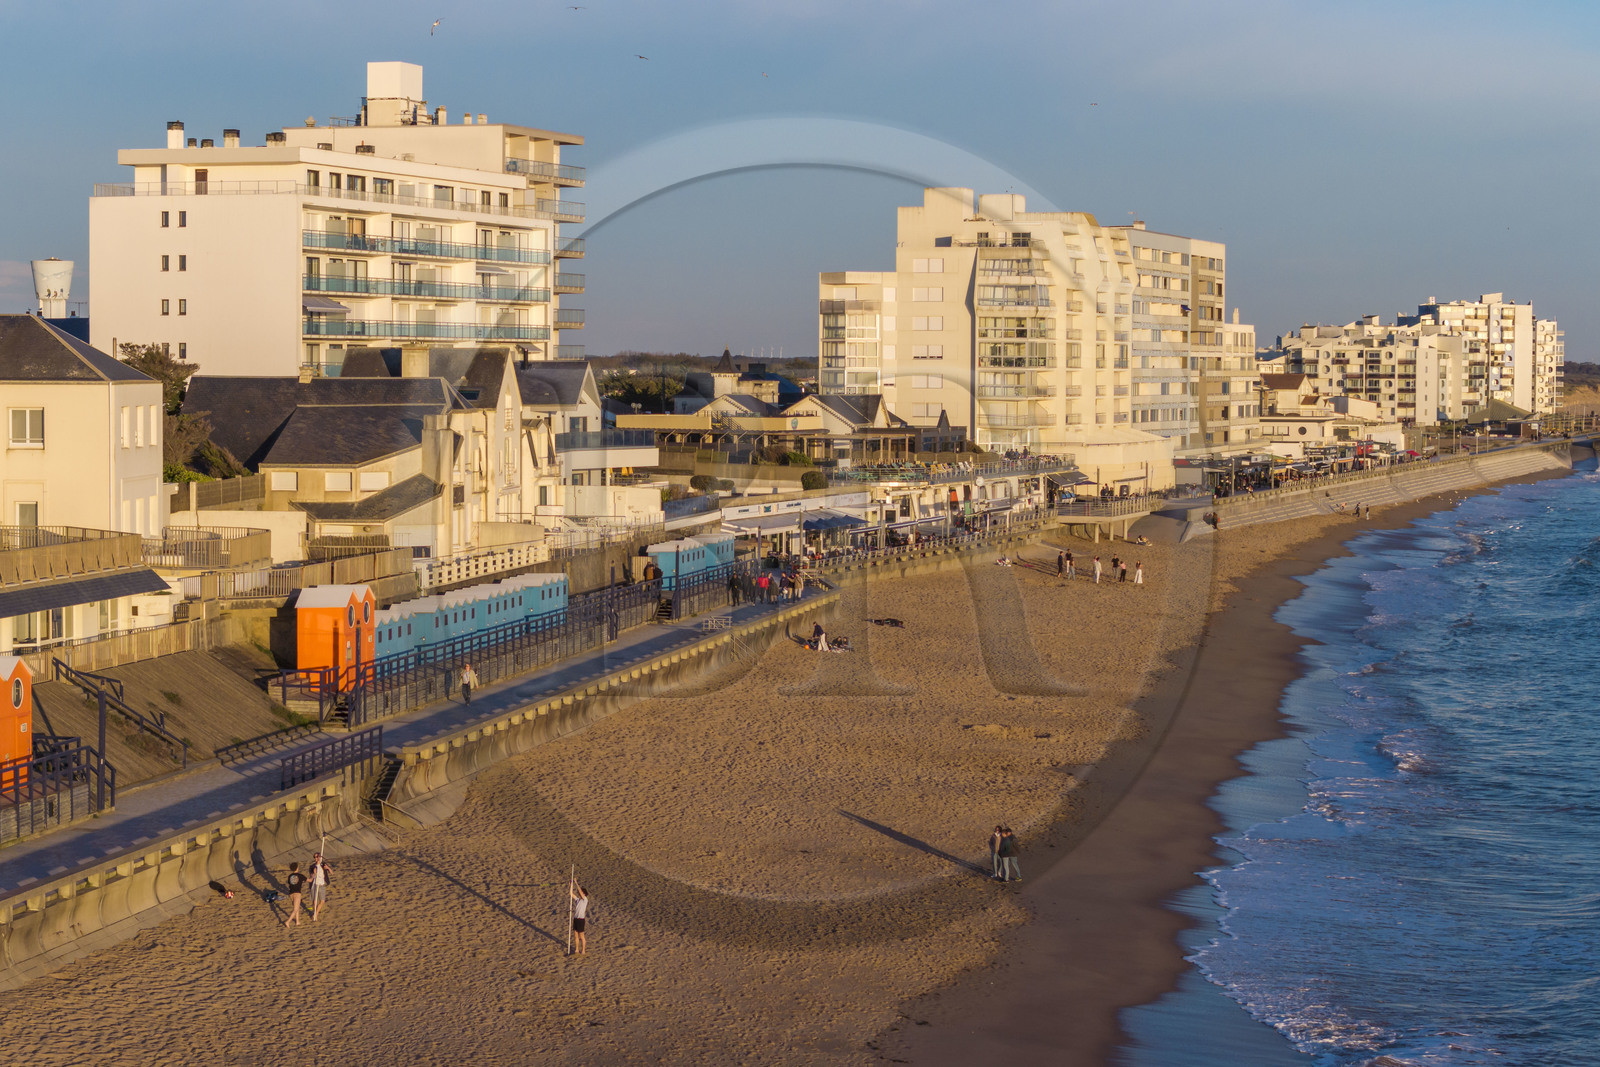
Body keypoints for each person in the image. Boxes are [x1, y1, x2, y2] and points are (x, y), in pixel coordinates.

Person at [308, 852, 333, 922]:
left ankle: (315, 914)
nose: (317, 858)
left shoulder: (323, 865)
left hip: (322, 884)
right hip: (315, 884)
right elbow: (312, 876)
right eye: (315, 857)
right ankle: (315, 914)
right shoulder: (312, 867)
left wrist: (328, 868)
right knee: (314, 901)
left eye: (318, 857)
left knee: (322, 901)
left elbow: (331, 872)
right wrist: (314, 873)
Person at [283, 861, 306, 928]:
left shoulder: (290, 876)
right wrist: (313, 876)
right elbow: (308, 880)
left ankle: (297, 921)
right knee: (295, 909)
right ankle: (288, 921)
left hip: (291, 893)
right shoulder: (300, 876)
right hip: (297, 893)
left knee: (297, 907)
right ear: (297, 868)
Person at [570, 882, 589, 955]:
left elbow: (580, 892)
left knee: (581, 936)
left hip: (581, 920)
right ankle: (577, 949)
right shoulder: (578, 900)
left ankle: (583, 950)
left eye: (581, 893)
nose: (580, 893)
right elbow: (571, 894)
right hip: (576, 919)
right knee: (575, 935)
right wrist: (571, 885)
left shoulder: (585, 900)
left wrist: (576, 883)